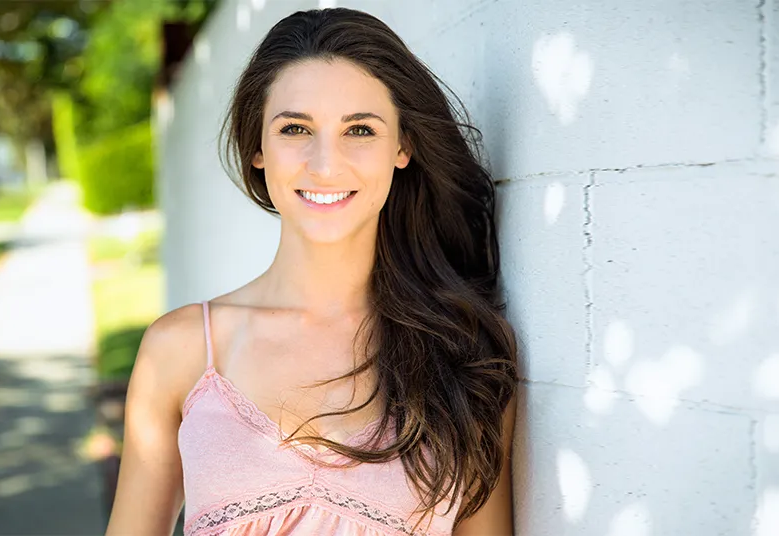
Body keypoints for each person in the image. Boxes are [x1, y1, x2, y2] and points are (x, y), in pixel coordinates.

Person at [105, 7, 519, 536]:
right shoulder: (183, 348)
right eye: (296, 128)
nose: (325, 164)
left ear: (403, 147)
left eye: (360, 130)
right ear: (258, 147)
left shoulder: (466, 352)